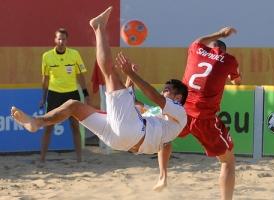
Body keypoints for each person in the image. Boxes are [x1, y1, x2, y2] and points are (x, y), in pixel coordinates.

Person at [11, 7, 188, 157]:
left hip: (130, 134)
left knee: (110, 74)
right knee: (73, 105)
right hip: (120, 138)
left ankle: (98, 27)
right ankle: (37, 121)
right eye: (164, 89)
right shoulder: (158, 114)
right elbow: (130, 103)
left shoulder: (179, 113)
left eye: (168, 90)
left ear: (178, 97)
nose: (164, 92)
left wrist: (131, 76)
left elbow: (155, 97)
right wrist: (129, 79)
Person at [154, 27, 242, 200]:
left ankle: (163, 176)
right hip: (204, 118)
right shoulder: (229, 60)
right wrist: (234, 79)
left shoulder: (196, 48)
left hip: (182, 111)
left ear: (208, 47)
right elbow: (237, 81)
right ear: (223, 51)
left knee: (164, 136)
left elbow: (199, 40)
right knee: (228, 161)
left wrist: (220, 33)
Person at [39, 28, 90, 162]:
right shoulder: (46, 56)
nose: (61, 41)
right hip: (54, 94)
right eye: (59, 39)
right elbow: (45, 79)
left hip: (71, 94)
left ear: (67, 40)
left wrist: (85, 94)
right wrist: (43, 98)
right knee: (48, 126)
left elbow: (80, 75)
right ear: (55, 40)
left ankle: (79, 159)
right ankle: (42, 159)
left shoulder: (74, 54)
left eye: (64, 39)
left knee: (75, 126)